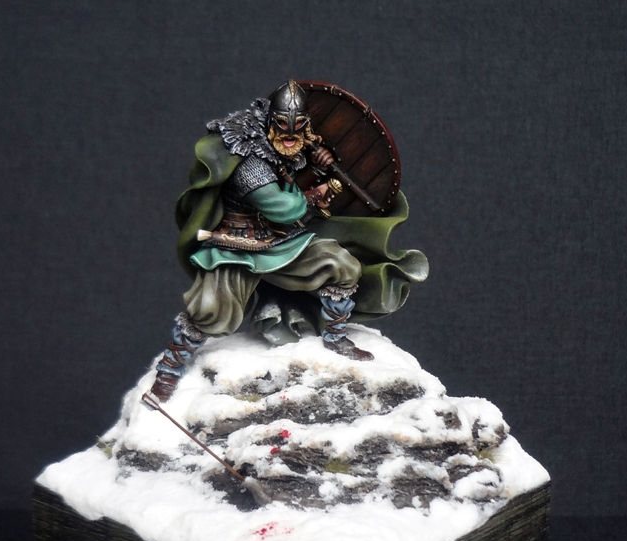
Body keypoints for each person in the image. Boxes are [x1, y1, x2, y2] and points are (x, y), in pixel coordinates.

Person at [148, 80, 428, 402]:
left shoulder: (289, 150)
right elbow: (285, 208)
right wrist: (320, 190)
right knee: (210, 309)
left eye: (298, 128)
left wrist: (320, 163)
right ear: (270, 124)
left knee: (341, 266)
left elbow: (296, 174)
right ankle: (169, 370)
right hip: (237, 246)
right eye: (283, 126)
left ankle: (335, 336)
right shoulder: (250, 162)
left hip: (279, 241)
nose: (291, 135)